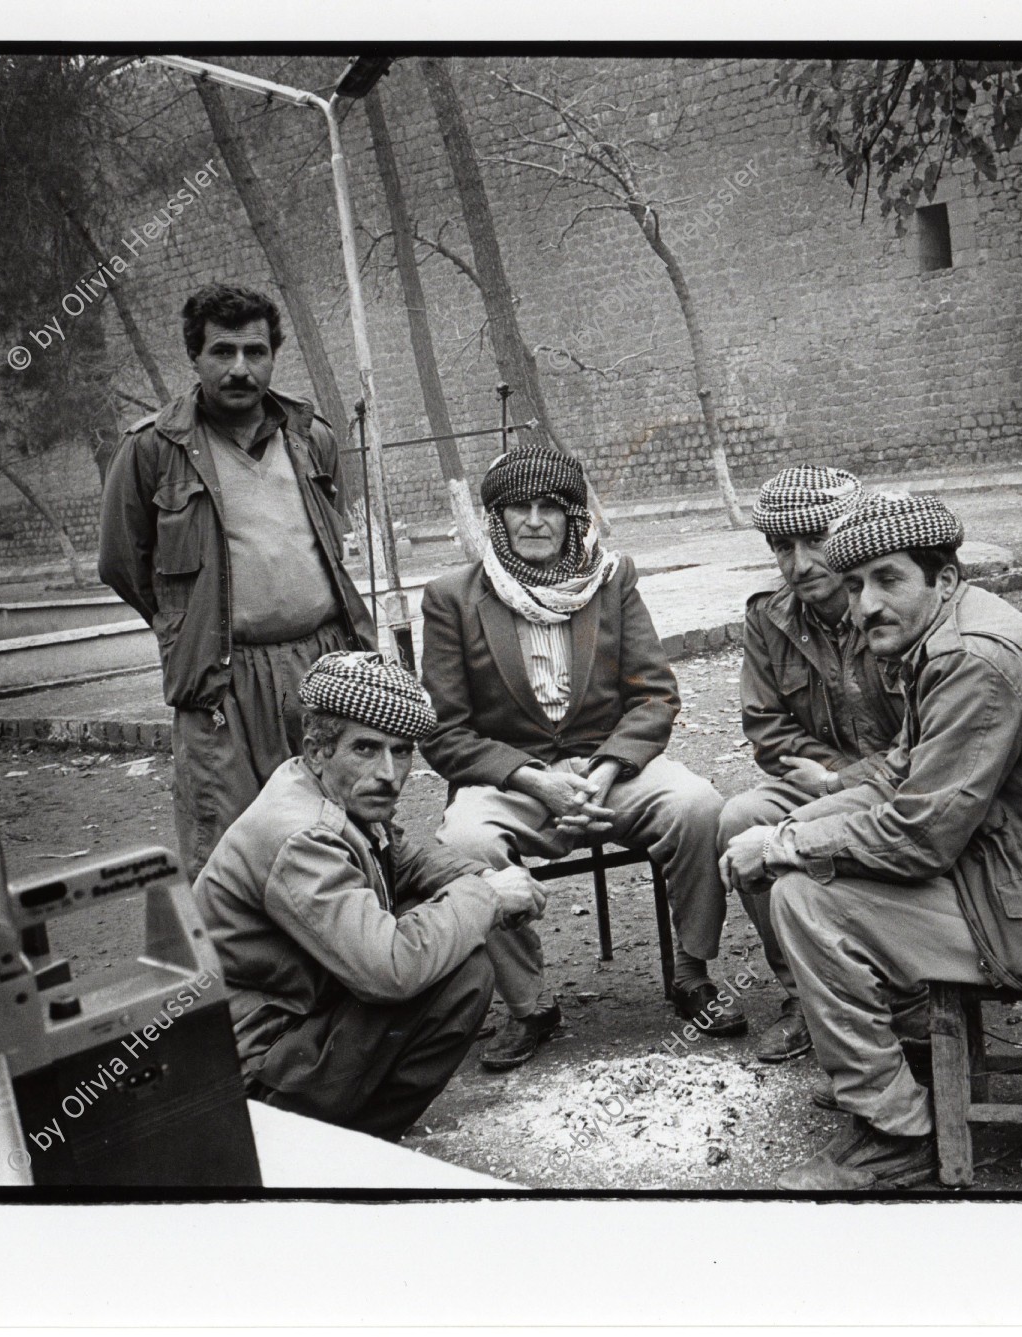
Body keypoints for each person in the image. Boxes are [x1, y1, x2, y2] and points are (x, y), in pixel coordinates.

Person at [721, 491, 1022, 1190]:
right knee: (806, 866)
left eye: (889, 579)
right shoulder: (944, 637)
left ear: (945, 578)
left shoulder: (972, 661)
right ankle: (910, 1057)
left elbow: (918, 835)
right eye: (857, 584)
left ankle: (895, 1132)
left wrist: (783, 849)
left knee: (807, 902)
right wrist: (788, 828)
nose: (866, 604)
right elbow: (901, 774)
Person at [419, 444, 740, 1071]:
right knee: (464, 842)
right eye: (519, 508)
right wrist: (536, 783)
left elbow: (654, 696)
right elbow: (444, 732)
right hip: (513, 779)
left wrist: (604, 771)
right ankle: (530, 1005)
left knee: (700, 805)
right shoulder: (451, 597)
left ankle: (693, 972)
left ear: (573, 518)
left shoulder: (611, 581)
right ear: (498, 519)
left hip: (611, 771)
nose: (535, 520)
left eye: (551, 507)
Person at [193, 651, 546, 1139]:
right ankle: (347, 1146)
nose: (388, 772)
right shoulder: (303, 836)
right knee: (460, 974)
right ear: (317, 750)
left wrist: (486, 880)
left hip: (300, 1021)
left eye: (402, 751)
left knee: (441, 937)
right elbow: (390, 971)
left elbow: (406, 861)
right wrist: (487, 901)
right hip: (252, 1071)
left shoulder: (326, 789)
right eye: (366, 749)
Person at [99, 284, 377, 881]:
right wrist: (190, 625)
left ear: (274, 356)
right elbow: (122, 563)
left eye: (256, 352)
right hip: (222, 678)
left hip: (322, 666)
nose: (240, 368)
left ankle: (355, 964)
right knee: (230, 852)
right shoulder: (153, 450)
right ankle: (240, 977)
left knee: (344, 829)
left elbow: (327, 543)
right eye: (222, 352)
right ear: (195, 359)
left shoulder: (311, 437)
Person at [719, 466, 908, 1065]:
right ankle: (804, 996)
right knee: (740, 819)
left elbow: (927, 741)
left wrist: (839, 781)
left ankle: (899, 995)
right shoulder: (768, 618)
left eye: (815, 540)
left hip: (905, 784)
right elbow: (767, 727)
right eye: (782, 546)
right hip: (817, 782)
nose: (800, 564)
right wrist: (827, 779)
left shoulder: (891, 607)